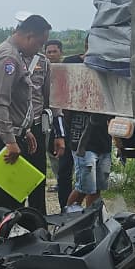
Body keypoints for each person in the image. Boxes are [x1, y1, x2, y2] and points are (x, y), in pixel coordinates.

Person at [0, 12, 53, 210]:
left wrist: (25, 130)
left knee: (12, 196)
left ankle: (3, 238)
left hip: (5, 135)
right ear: (29, 36)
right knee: (3, 201)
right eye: (39, 43)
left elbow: (14, 104)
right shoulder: (8, 58)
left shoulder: (14, 55)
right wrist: (10, 141)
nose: (39, 49)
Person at [25, 21, 66, 215]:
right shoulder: (7, 60)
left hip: (37, 127)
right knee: (12, 180)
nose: (40, 47)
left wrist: (60, 134)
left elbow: (52, 102)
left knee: (38, 178)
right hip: (14, 130)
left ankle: (37, 222)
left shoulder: (43, 63)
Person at [53, 45, 86, 211]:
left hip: (91, 129)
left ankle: (85, 213)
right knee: (65, 171)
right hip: (70, 127)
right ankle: (64, 211)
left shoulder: (100, 66)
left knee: (88, 175)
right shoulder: (70, 63)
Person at [65, 112, 114, 211]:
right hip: (83, 145)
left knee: (96, 188)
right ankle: (68, 217)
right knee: (84, 187)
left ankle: (91, 219)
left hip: (104, 144)